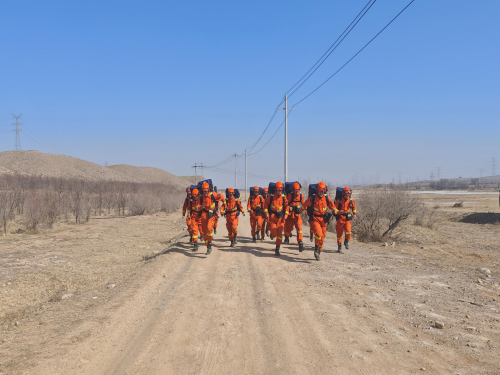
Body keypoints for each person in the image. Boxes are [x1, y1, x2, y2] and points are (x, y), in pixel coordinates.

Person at [301, 182, 339, 261]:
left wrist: (335, 210)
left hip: (323, 220)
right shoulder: (312, 198)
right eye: (320, 190)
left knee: (323, 236)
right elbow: (304, 205)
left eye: (323, 191)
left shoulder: (326, 198)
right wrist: (299, 210)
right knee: (318, 234)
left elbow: (332, 206)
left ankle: (319, 251)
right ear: (317, 190)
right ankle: (316, 249)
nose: (321, 192)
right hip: (315, 219)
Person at [264, 182, 289, 256]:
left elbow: (287, 206)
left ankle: (277, 248)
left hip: (281, 219)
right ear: (275, 190)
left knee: (280, 235)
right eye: (278, 190)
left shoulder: (284, 197)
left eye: (280, 190)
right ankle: (271, 235)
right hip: (272, 218)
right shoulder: (271, 196)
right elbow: (265, 204)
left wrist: (286, 214)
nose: (279, 191)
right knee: (274, 234)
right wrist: (266, 213)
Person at [199, 182, 225, 254]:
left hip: (211, 215)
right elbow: (196, 206)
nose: (205, 192)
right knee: (204, 232)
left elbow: (222, 197)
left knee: (209, 228)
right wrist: (200, 207)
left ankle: (209, 244)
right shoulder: (200, 197)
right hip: (203, 215)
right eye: (204, 191)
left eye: (206, 190)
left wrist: (224, 204)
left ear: (209, 190)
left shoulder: (213, 194)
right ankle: (207, 245)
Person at [334, 187, 357, 253]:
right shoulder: (339, 200)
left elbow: (354, 207)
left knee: (348, 231)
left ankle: (346, 242)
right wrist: (338, 212)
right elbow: (334, 209)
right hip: (340, 219)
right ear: (343, 194)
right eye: (346, 195)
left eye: (349, 195)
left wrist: (354, 214)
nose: (347, 196)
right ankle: (339, 246)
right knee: (339, 234)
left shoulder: (351, 200)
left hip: (347, 218)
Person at [284, 183, 305, 251]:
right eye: (295, 190)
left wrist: (302, 209)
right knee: (288, 229)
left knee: (299, 228)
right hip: (290, 215)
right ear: (293, 190)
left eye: (298, 190)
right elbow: (286, 204)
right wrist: (288, 211)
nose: (297, 192)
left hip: (297, 215)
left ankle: (300, 242)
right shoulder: (290, 196)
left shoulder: (301, 196)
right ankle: (286, 237)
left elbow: (304, 204)